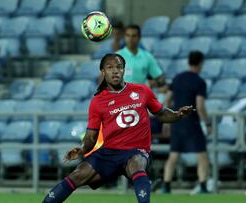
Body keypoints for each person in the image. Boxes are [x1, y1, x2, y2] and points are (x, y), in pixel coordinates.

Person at [42, 53, 195, 203]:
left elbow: (161, 114)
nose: (115, 71)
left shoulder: (142, 91)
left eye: (119, 67)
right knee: (77, 175)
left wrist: (178, 114)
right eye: (110, 67)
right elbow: (91, 136)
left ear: (124, 70)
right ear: (103, 72)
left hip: (136, 149)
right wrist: (82, 150)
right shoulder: (98, 101)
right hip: (109, 152)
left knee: (137, 164)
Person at [162, 51, 211, 194]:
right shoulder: (199, 82)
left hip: (177, 122)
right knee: (201, 155)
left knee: (173, 155)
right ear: (201, 63)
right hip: (192, 122)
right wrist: (207, 123)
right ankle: (202, 186)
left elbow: (167, 100)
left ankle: (166, 186)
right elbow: (200, 105)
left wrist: (166, 121)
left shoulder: (177, 78)